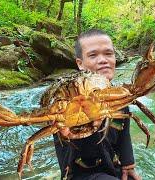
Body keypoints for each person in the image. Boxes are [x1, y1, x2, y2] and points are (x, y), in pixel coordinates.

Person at [53, 29, 141, 180]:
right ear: (80, 64)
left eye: (108, 53)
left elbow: (124, 129)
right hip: (81, 174)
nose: (103, 60)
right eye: (93, 55)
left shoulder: (117, 94)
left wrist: (128, 163)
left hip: (112, 167)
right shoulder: (66, 100)